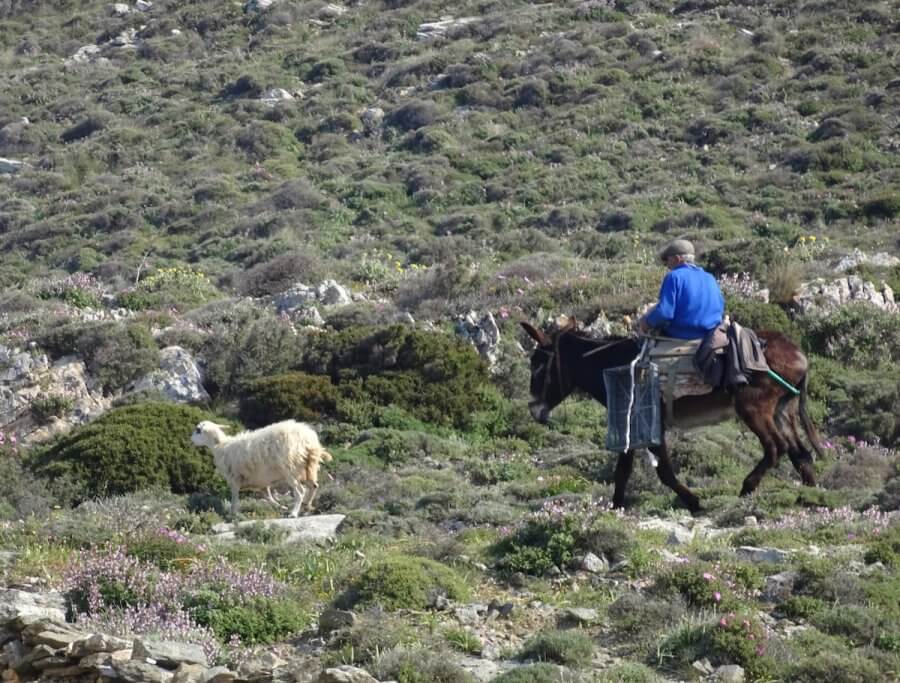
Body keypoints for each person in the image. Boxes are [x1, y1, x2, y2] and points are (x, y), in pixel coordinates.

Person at [638, 239, 724, 340]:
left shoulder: (674, 276)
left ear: (677, 259)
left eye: (668, 261)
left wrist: (646, 322)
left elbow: (664, 313)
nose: (668, 266)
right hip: (710, 337)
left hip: (681, 337)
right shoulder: (710, 277)